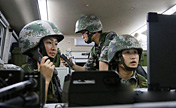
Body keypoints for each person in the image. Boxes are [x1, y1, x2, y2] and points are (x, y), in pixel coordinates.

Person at [19, 20, 64, 103]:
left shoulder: (52, 70)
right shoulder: (23, 73)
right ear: (34, 47)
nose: (54, 48)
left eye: (56, 43)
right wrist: (45, 80)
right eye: (49, 42)